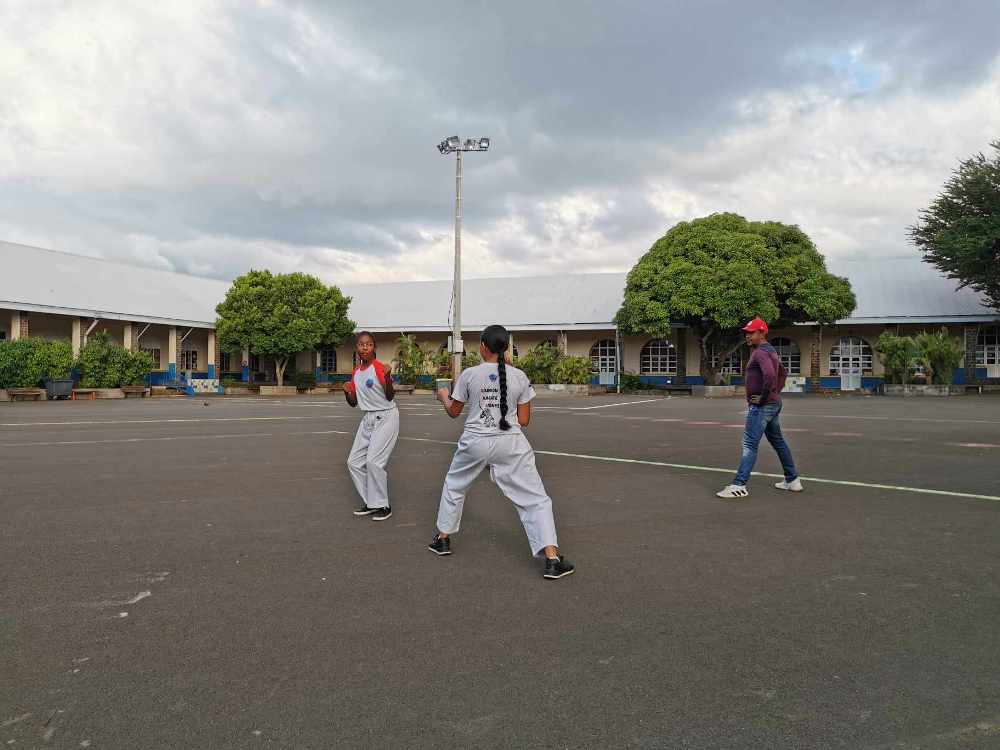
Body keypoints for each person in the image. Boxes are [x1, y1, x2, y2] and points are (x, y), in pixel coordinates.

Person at [428, 325, 575, 580]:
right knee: (535, 499)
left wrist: (443, 396)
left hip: (475, 441)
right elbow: (524, 420)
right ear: (506, 348)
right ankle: (552, 559)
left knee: (454, 486)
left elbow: (454, 411)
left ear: (483, 347)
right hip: (511, 443)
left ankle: (442, 539)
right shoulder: (519, 376)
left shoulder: (469, 374)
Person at [716, 317, 803, 499]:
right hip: (773, 404)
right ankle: (792, 480)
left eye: (751, 333)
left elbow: (770, 375)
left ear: (762, 333)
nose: (747, 336)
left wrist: (764, 397)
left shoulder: (760, 352)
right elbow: (783, 373)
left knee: (749, 444)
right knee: (778, 441)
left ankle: (739, 485)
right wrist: (774, 394)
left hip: (762, 406)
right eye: (746, 333)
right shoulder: (770, 350)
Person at [344, 331, 399, 520]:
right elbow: (353, 403)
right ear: (357, 348)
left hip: (386, 416)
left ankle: (384, 505)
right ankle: (372, 502)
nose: (365, 347)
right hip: (368, 418)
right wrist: (347, 392)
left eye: (368, 344)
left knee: (374, 462)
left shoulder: (379, 368)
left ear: (374, 347)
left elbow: (389, 396)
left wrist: (388, 378)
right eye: (361, 344)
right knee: (353, 462)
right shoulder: (356, 372)